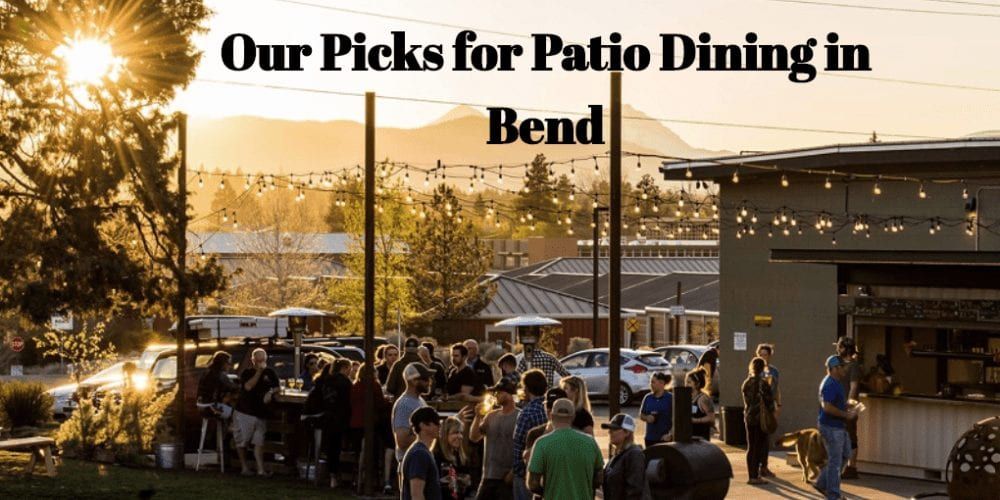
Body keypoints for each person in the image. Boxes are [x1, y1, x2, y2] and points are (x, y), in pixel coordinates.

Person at [526, 399, 604, 500]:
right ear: (573, 417)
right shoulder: (590, 443)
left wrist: (547, 492)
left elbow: (532, 483)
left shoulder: (541, 443)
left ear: (551, 416)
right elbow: (599, 477)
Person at [813, 355, 858, 500]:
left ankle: (821, 483)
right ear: (834, 369)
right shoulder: (830, 384)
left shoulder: (836, 382)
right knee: (835, 462)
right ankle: (833, 495)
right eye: (842, 366)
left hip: (837, 426)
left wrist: (847, 405)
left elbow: (834, 403)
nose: (845, 369)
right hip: (831, 427)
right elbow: (827, 407)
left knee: (845, 455)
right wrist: (846, 415)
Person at [470, 378, 520, 500]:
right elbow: (474, 437)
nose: (496, 395)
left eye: (500, 392)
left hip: (507, 479)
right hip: (488, 476)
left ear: (509, 394)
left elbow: (525, 447)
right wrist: (478, 417)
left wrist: (513, 472)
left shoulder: (520, 416)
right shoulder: (491, 416)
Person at [233, 348, 279, 476]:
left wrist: (271, 392)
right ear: (253, 360)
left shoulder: (270, 372)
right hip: (245, 411)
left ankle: (260, 469)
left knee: (259, 441)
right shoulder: (247, 372)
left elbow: (277, 386)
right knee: (243, 441)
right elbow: (248, 387)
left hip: (261, 413)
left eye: (263, 360)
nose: (261, 363)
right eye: (258, 360)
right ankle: (244, 467)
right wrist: (259, 371)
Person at [351, 363, 395, 494]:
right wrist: (388, 401)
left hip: (354, 424)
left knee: (359, 453)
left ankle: (357, 479)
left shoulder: (355, 386)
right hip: (368, 424)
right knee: (373, 452)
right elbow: (380, 404)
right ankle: (374, 480)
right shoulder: (374, 385)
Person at [311, 358, 353, 488]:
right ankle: (339, 476)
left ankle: (330, 476)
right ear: (345, 368)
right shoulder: (346, 382)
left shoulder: (325, 380)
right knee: (338, 447)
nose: (350, 372)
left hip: (325, 418)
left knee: (330, 448)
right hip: (340, 418)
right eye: (349, 369)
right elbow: (349, 402)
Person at [511, 369, 548, 500]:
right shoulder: (549, 408)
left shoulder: (526, 413)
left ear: (526, 389)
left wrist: (517, 471)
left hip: (526, 472)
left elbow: (517, 442)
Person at [742, 356, 775, 486]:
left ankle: (752, 475)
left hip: (749, 417)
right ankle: (755, 476)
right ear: (763, 368)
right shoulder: (764, 383)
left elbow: (747, 401)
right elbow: (769, 403)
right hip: (760, 419)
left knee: (751, 447)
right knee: (759, 446)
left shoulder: (746, 383)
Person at [602, 413, 651, 500]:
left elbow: (635, 490)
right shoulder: (618, 454)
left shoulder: (634, 454)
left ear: (627, 432)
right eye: (610, 429)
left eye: (614, 429)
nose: (610, 432)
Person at [393, 362, 434, 463]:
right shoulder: (404, 404)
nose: (429, 382)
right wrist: (429, 435)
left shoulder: (420, 400)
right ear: (414, 381)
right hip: (411, 461)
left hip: (420, 458)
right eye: (425, 379)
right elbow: (402, 441)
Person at [401, 406, 444, 500]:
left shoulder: (423, 452)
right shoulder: (419, 454)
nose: (440, 425)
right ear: (423, 425)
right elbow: (416, 495)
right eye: (436, 422)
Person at [522, 387, 568, 474]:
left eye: (555, 406)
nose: (550, 410)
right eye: (548, 406)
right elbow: (529, 464)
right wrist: (547, 432)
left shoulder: (578, 432)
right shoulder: (534, 433)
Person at [835, 336, 863, 479]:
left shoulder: (853, 366)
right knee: (840, 435)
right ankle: (842, 465)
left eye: (839, 346)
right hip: (839, 405)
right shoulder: (839, 364)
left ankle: (852, 467)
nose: (837, 349)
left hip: (849, 406)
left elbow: (853, 386)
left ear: (845, 349)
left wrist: (849, 404)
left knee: (850, 436)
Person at [434, 416, 475, 499]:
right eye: (455, 432)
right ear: (445, 435)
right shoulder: (436, 457)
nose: (460, 436)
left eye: (461, 433)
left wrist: (466, 482)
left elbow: (468, 489)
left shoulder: (462, 458)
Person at [756, 343, 781, 477]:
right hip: (758, 408)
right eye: (760, 354)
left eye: (765, 354)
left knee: (766, 437)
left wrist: (778, 405)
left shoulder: (774, 371)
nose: (763, 357)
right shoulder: (754, 371)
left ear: (770, 356)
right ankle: (757, 466)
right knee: (758, 438)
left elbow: (776, 389)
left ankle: (764, 466)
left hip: (770, 407)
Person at [197, 351, 239, 419]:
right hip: (210, 408)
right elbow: (233, 387)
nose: (230, 366)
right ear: (223, 363)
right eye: (228, 363)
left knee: (228, 399)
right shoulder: (219, 374)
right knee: (237, 413)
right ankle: (233, 428)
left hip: (201, 406)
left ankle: (223, 427)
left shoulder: (207, 371)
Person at [639, 372, 672, 447]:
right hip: (650, 439)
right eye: (650, 382)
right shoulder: (648, 397)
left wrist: (670, 434)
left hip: (665, 439)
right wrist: (647, 417)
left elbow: (677, 419)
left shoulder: (670, 398)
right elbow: (641, 415)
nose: (651, 384)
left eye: (653, 382)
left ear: (662, 383)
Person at [687, 368, 715, 441]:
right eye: (686, 382)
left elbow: (711, 418)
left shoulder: (703, 399)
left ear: (697, 384)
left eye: (689, 382)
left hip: (701, 440)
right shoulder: (687, 398)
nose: (686, 385)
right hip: (690, 438)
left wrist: (695, 420)